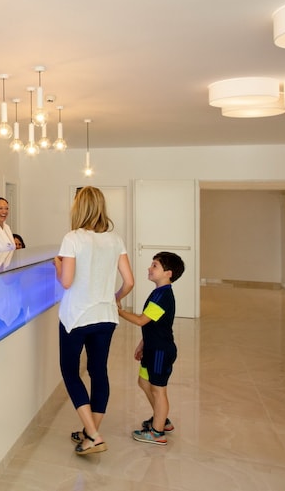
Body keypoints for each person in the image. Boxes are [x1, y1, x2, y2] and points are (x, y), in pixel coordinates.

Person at [53, 186, 134, 455]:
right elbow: (129, 282)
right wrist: (114, 298)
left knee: (70, 372)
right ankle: (90, 433)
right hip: (106, 316)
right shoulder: (115, 239)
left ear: (78, 207)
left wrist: (58, 265)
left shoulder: (72, 238)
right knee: (99, 371)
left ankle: (95, 435)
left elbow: (66, 282)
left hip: (76, 316)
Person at [117, 251, 185, 446]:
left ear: (168, 273)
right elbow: (153, 324)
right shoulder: (158, 292)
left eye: (155, 265)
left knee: (158, 390)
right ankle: (161, 419)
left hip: (160, 352)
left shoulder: (163, 296)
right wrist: (143, 343)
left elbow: (141, 320)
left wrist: (119, 311)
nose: (149, 268)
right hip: (152, 347)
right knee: (143, 382)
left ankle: (157, 432)